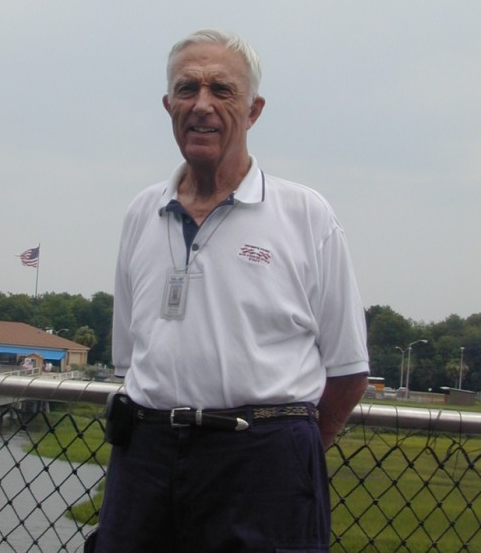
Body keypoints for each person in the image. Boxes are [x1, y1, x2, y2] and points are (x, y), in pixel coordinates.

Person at [95, 29, 369, 553]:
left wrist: (289, 449)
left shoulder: (305, 215)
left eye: (222, 90)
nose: (202, 105)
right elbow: (128, 359)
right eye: (187, 89)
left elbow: (349, 370)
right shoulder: (141, 213)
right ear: (167, 104)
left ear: (253, 110)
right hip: (145, 462)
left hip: (262, 467)